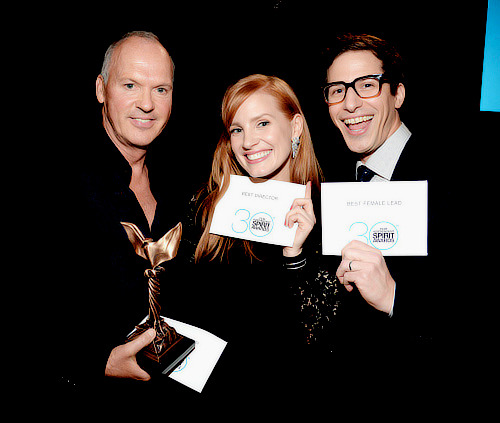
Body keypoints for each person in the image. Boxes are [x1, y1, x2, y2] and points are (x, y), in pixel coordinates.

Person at [164, 74, 342, 404]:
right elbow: (174, 315)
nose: (248, 141)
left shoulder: (333, 217)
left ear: (296, 127)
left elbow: (325, 346)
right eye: (237, 129)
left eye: (262, 123)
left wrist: (295, 256)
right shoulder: (205, 210)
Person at [55, 30, 182, 394]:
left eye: (161, 89)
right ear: (100, 89)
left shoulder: (180, 184)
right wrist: (97, 361)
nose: (147, 104)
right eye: (130, 85)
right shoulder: (61, 185)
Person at [321, 34, 444, 374]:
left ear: (398, 93)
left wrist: (393, 298)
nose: (350, 104)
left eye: (366, 85)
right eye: (337, 90)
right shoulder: (332, 188)